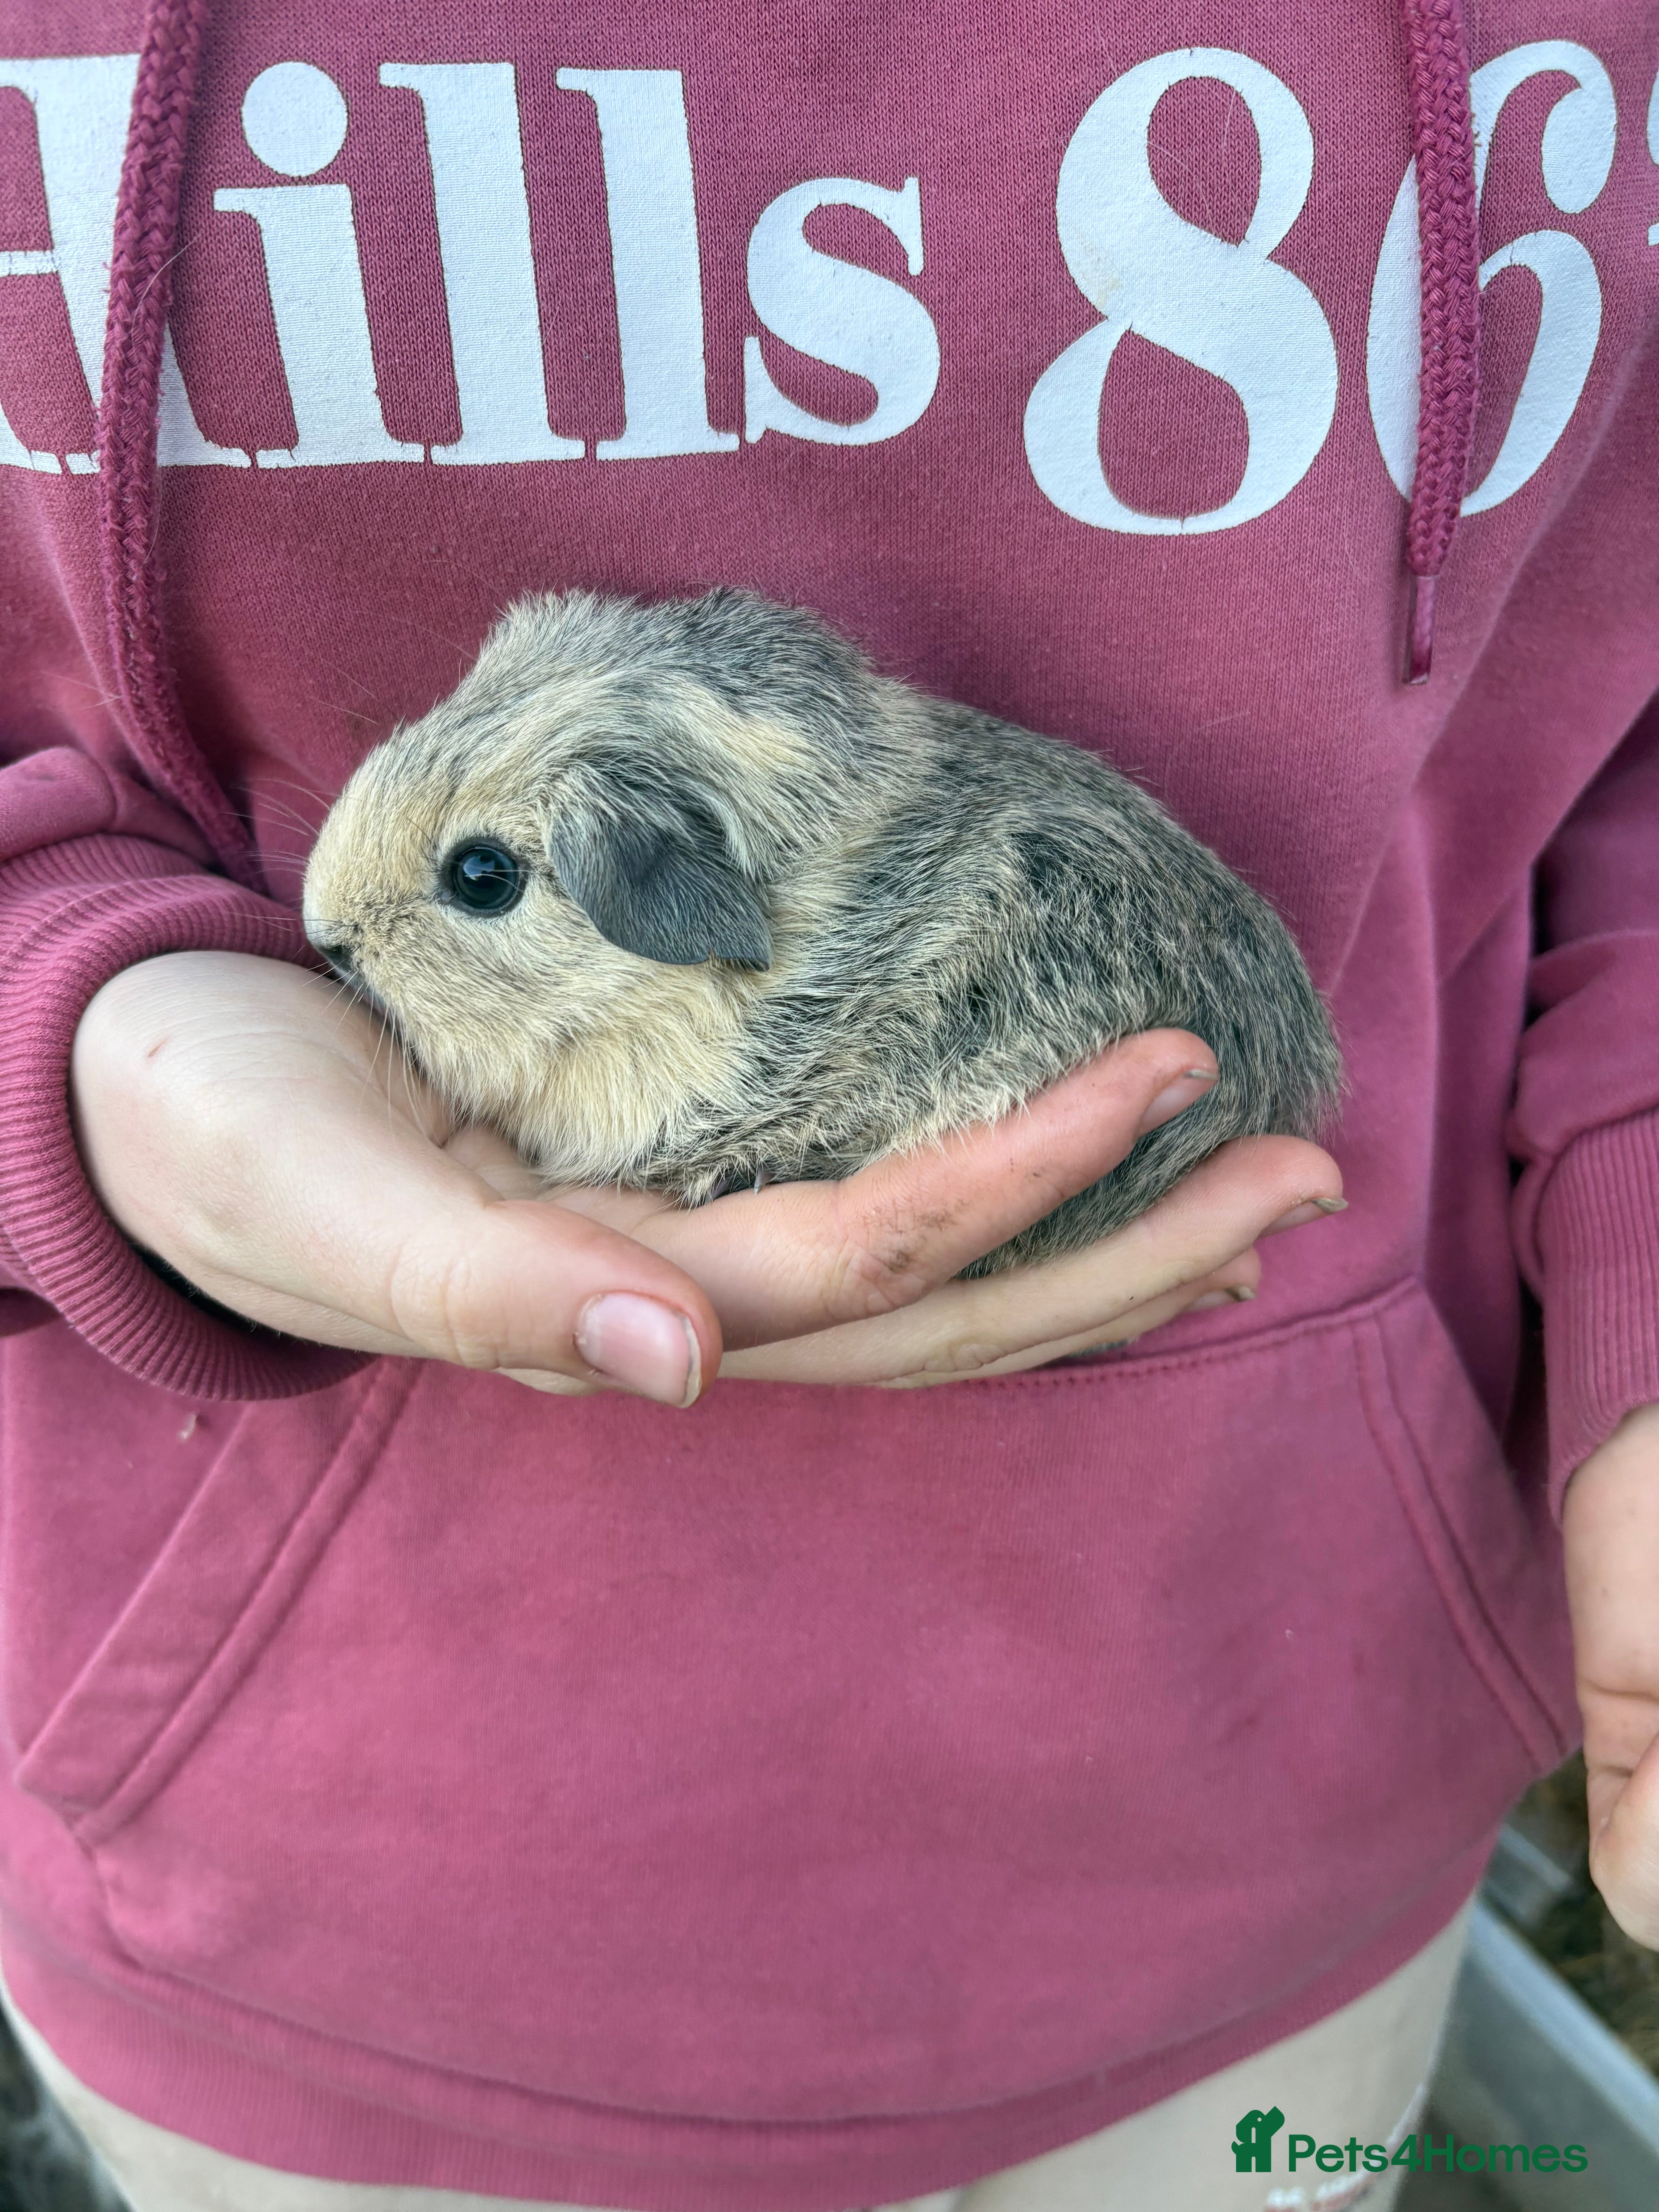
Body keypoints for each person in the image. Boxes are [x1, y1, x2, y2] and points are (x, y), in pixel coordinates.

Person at [0, 0, 1654, 2207]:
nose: (353, 933)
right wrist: (70, 1044)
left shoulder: (757, 958)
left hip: (1264, 1836)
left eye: (479, 888)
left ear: (686, 896)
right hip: (311, 1959)